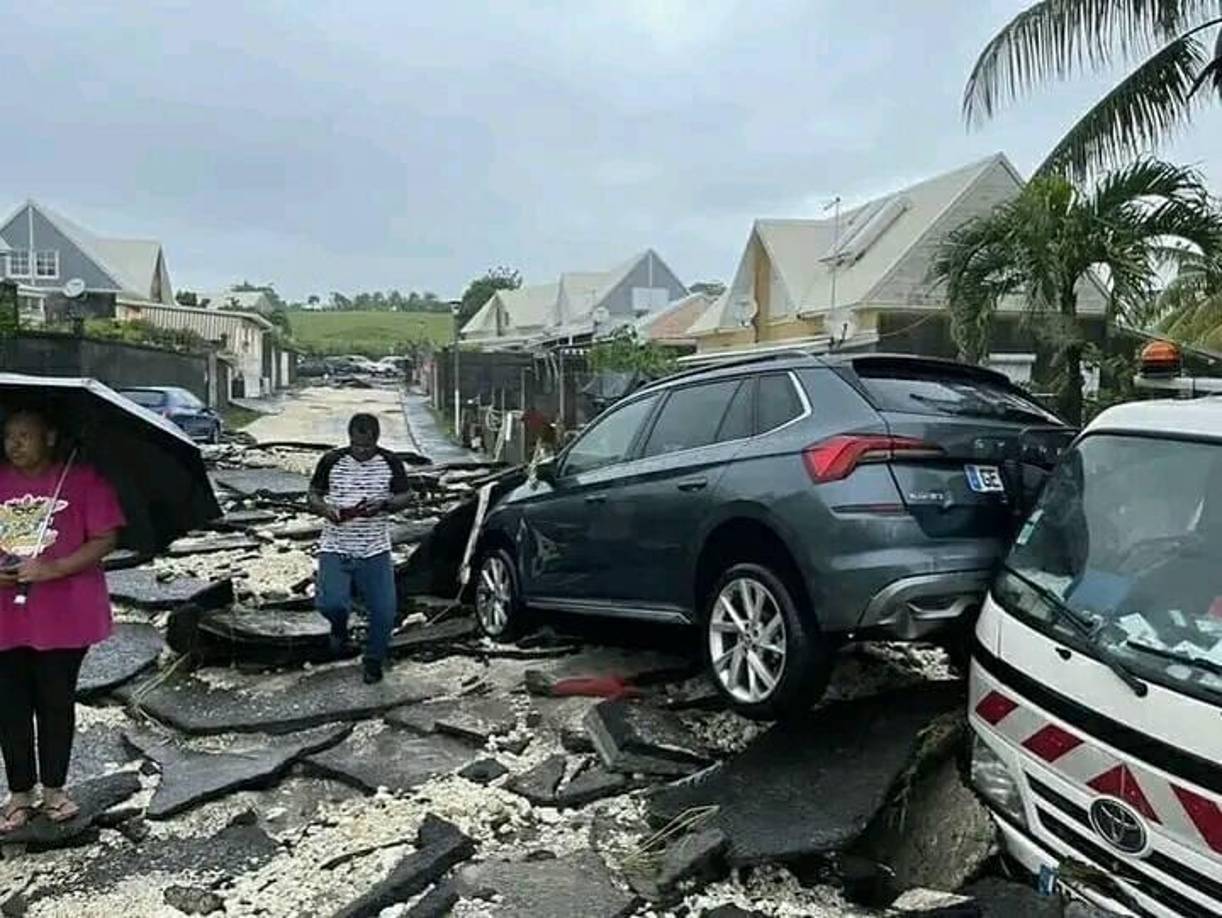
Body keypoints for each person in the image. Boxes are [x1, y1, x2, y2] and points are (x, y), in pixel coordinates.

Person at [0, 407, 124, 832]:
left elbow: (106, 538)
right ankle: (19, 794)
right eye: (9, 436)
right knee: (9, 706)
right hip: (4, 616)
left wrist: (53, 569)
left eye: (24, 436)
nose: (13, 445)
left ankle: (54, 790)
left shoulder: (82, 479)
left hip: (64, 613)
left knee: (55, 701)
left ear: (49, 437)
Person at [308, 414, 411, 684]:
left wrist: (385, 505)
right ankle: (339, 628)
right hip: (336, 546)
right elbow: (313, 495)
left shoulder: (390, 462)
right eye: (356, 446)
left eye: (367, 447)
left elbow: (405, 496)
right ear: (350, 439)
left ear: (376, 440)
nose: (362, 452)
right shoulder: (332, 461)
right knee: (331, 603)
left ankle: (373, 660)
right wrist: (325, 509)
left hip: (375, 549)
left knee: (385, 612)